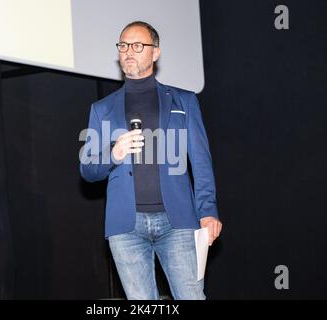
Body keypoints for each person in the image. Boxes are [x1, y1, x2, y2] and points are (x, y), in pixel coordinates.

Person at [80, 21, 222, 300]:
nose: (128, 52)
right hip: (126, 228)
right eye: (123, 46)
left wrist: (208, 209)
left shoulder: (184, 101)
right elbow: (87, 169)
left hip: (178, 222)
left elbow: (201, 162)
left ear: (155, 53)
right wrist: (113, 153)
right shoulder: (102, 109)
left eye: (137, 46)